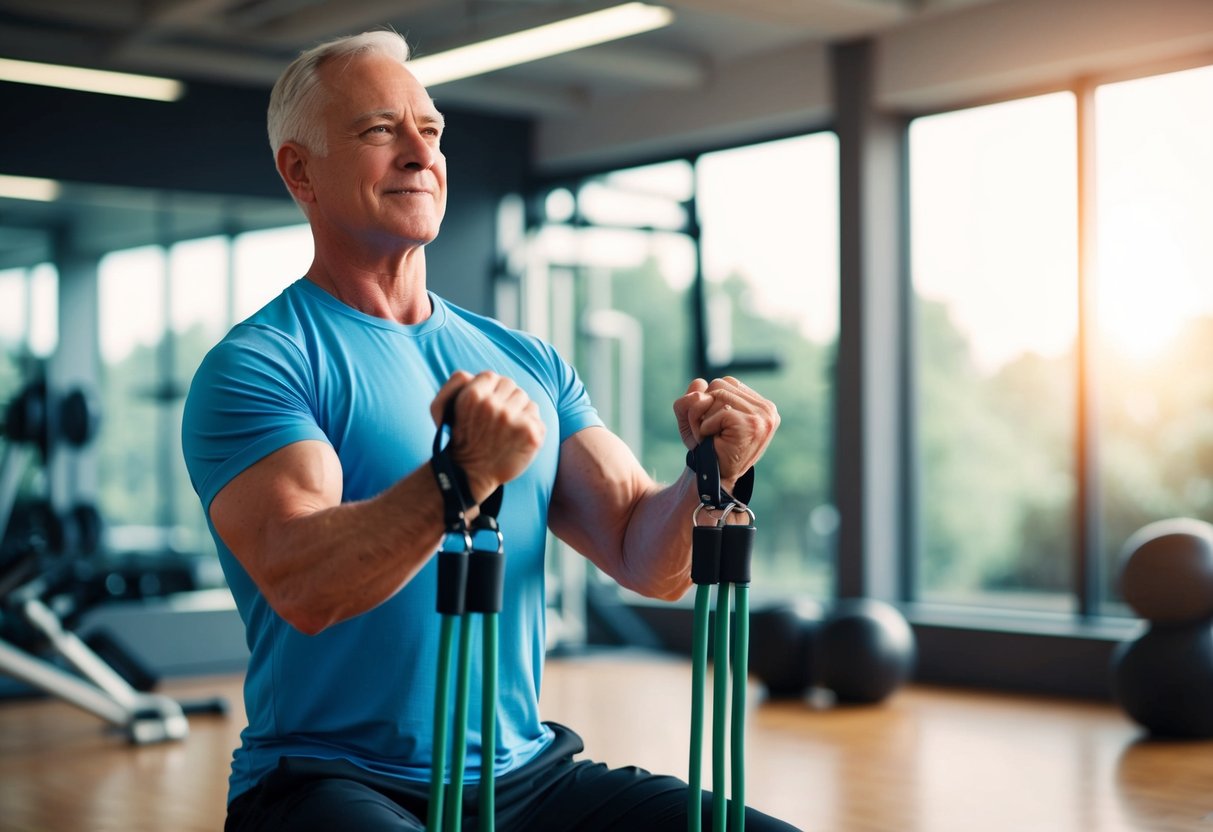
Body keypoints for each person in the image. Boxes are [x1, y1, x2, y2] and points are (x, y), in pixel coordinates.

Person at [182, 29, 794, 832]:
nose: (417, 153)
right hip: (327, 781)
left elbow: (648, 559)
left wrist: (709, 472)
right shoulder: (263, 364)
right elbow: (304, 584)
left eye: (428, 130)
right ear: (300, 171)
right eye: (378, 131)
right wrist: (458, 476)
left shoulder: (525, 360)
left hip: (527, 778)